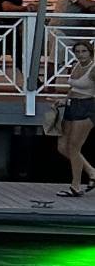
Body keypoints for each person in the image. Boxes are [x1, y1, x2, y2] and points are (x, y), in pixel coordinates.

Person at [56, 41, 95, 196]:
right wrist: (65, 100)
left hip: (87, 106)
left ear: (90, 52)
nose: (80, 54)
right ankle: (92, 172)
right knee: (62, 146)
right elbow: (73, 87)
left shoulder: (93, 69)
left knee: (74, 147)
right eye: (77, 51)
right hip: (72, 105)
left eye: (84, 51)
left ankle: (76, 186)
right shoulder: (76, 65)